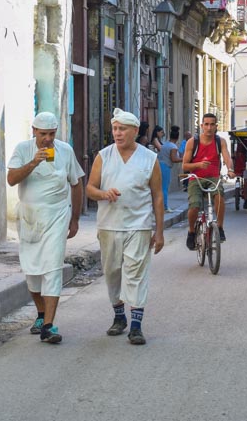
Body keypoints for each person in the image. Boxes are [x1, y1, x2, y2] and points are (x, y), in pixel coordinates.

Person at [86, 108, 164, 345]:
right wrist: (103, 193)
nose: (117, 134)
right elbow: (90, 188)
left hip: (139, 225)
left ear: (135, 131)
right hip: (109, 225)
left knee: (136, 273)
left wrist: (159, 231)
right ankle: (119, 316)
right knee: (112, 272)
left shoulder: (149, 158)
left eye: (122, 129)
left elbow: (157, 196)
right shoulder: (104, 156)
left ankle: (137, 326)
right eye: (115, 129)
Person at [6, 112, 84, 344]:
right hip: (30, 217)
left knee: (52, 268)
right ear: (34, 131)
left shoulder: (65, 151)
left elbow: (76, 183)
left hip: (57, 215)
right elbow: (11, 179)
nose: (48, 139)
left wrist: (75, 218)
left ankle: (49, 326)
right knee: (32, 272)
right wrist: (34, 162)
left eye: (51, 134)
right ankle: (41, 314)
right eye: (43, 134)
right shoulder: (22, 149)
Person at [182, 113, 235, 248]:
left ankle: (220, 228)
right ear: (201, 126)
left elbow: (227, 157)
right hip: (196, 179)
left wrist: (230, 169)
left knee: (219, 197)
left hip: (213, 178)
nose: (209, 127)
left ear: (216, 126)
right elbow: (185, 165)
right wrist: (198, 165)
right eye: (206, 124)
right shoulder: (192, 142)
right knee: (194, 205)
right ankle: (192, 231)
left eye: (212, 124)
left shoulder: (220, 142)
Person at [157, 127, 183, 211]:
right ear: (177, 137)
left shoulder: (165, 144)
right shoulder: (173, 147)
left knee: (160, 187)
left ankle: (159, 205)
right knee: (164, 187)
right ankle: (164, 206)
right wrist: (184, 159)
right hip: (165, 167)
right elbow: (174, 159)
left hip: (159, 165)